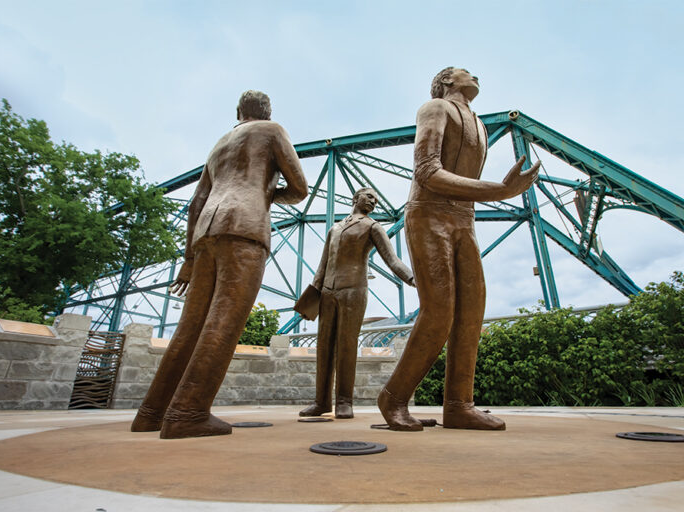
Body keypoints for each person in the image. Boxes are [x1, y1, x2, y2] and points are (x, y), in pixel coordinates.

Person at [131, 90, 308, 439]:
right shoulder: (272, 130)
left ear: (238, 111)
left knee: (189, 326)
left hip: (205, 232)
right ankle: (188, 412)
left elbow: (197, 201)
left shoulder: (219, 145)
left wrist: (188, 258)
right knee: (224, 322)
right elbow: (299, 188)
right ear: (267, 111)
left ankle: (151, 414)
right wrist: (265, 194)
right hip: (244, 227)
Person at [378, 67, 539, 431]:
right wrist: (500, 191)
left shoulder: (479, 123)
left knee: (471, 313)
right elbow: (427, 171)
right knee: (438, 312)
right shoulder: (435, 108)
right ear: (448, 81)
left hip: (464, 220)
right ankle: (393, 398)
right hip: (429, 214)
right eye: (466, 71)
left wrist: (495, 191)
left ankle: (459, 406)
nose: (475, 75)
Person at [298, 188, 415, 419]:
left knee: (346, 345)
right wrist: (311, 298)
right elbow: (322, 266)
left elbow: (392, 260)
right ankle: (321, 402)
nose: (373, 201)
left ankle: (344, 401)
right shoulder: (335, 229)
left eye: (376, 200)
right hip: (327, 292)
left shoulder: (373, 227)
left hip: (353, 290)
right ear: (355, 198)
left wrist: (413, 278)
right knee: (324, 347)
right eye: (369, 196)